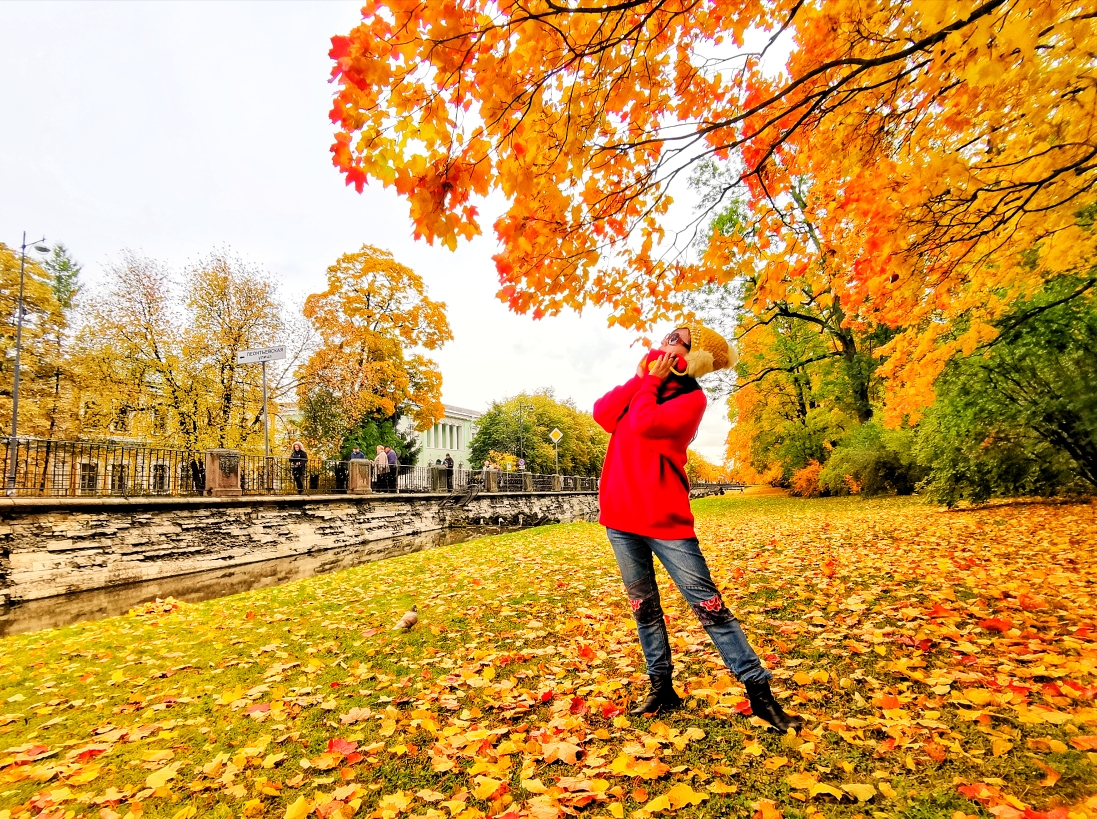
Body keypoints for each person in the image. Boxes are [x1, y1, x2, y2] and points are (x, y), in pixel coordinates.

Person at [593, 325, 802, 733]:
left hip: (664, 519)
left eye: (679, 341)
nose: (668, 343)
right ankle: (661, 688)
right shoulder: (643, 384)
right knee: (644, 609)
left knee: (710, 608)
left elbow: (644, 425)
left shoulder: (691, 399)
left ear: (694, 357)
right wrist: (641, 379)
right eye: (668, 336)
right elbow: (603, 414)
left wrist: (651, 382)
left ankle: (760, 695)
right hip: (620, 518)